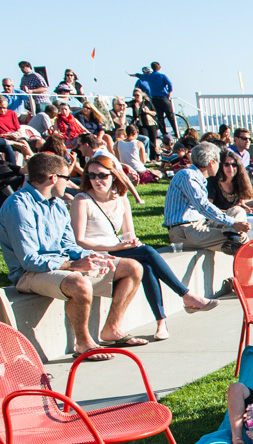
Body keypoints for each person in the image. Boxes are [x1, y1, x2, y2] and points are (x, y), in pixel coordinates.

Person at [0, 152, 145, 357]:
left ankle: (112, 328)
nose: (70, 183)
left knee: (132, 267)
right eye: (67, 178)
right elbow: (29, 260)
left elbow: (69, 244)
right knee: (79, 283)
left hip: (59, 266)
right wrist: (74, 265)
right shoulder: (18, 206)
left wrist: (94, 256)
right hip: (28, 274)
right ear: (53, 178)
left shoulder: (57, 203)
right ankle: (84, 343)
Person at [70, 154, 216, 341]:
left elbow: (128, 233)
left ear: (113, 175)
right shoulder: (82, 200)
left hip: (117, 247)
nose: (97, 180)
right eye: (91, 176)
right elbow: (79, 240)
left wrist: (132, 243)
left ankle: (161, 322)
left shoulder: (120, 198)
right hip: (96, 252)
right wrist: (116, 247)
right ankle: (186, 296)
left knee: (146, 264)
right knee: (147, 253)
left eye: (102, 175)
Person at [163, 141, 252, 253]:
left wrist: (232, 223)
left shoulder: (197, 177)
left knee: (238, 211)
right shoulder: (187, 176)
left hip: (201, 223)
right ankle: (235, 245)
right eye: (219, 162)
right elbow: (202, 206)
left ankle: (232, 241)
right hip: (185, 230)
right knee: (241, 238)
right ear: (212, 163)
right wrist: (232, 223)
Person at [140, 62, 177, 138]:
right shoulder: (162, 76)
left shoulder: (149, 76)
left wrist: (133, 75)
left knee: (160, 117)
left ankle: (164, 133)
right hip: (163, 98)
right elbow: (170, 84)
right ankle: (176, 132)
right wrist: (169, 92)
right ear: (159, 68)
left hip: (154, 98)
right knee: (170, 115)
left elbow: (141, 76)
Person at [128, 88, 160, 160]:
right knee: (145, 139)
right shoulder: (134, 103)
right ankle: (145, 156)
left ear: (141, 95)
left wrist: (148, 111)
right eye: (134, 96)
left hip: (151, 123)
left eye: (137, 95)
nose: (136, 97)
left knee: (153, 140)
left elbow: (155, 112)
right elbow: (127, 104)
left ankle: (153, 157)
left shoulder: (147, 102)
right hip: (142, 124)